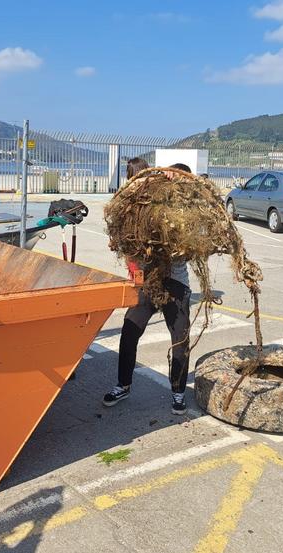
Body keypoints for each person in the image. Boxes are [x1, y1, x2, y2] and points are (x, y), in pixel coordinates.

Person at [103, 162, 193, 415]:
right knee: (129, 331)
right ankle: (123, 384)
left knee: (180, 339)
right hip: (147, 281)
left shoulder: (187, 208)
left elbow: (194, 238)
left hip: (175, 284)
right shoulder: (144, 202)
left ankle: (178, 391)